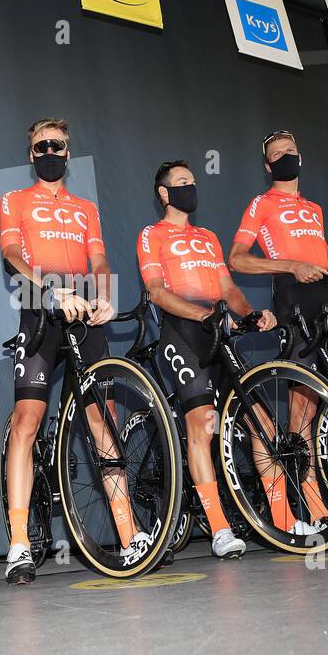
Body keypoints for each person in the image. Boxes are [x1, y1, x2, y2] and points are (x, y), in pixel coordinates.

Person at [0, 117, 142, 584]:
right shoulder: (14, 200)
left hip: (84, 310)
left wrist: (104, 295)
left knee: (103, 419)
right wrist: (51, 291)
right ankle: (19, 544)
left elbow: (99, 258)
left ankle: (129, 536)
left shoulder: (85, 207)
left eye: (56, 145)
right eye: (39, 145)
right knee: (27, 420)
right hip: (39, 304)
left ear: (67, 150)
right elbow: (13, 256)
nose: (48, 151)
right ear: (30, 154)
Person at [137, 161, 276, 557]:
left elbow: (227, 286)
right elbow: (156, 292)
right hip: (181, 333)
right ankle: (218, 529)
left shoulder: (208, 236)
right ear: (164, 194)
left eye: (193, 182)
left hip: (218, 330)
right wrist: (202, 315)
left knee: (258, 419)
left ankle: (283, 516)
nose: (190, 188)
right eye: (182, 183)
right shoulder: (151, 235)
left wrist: (249, 313)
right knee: (201, 421)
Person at [228, 130, 328, 534]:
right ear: (268, 167)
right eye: (276, 155)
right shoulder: (261, 204)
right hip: (291, 299)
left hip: (327, 300)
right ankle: (313, 506)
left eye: (290, 152)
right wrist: (288, 265)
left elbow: (318, 257)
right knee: (304, 409)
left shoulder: (314, 208)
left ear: (302, 157)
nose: (285, 158)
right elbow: (238, 260)